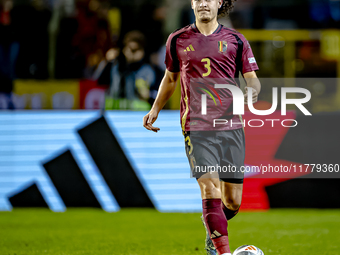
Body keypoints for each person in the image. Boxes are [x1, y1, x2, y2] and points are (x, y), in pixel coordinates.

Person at [143, 0, 261, 254]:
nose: (204, 3)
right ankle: (223, 251)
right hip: (196, 126)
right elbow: (171, 77)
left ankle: (212, 226)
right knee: (210, 188)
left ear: (219, 3)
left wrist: (252, 91)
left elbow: (251, 78)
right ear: (193, 4)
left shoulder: (236, 40)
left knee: (232, 201)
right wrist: (155, 109)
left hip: (231, 127)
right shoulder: (177, 39)